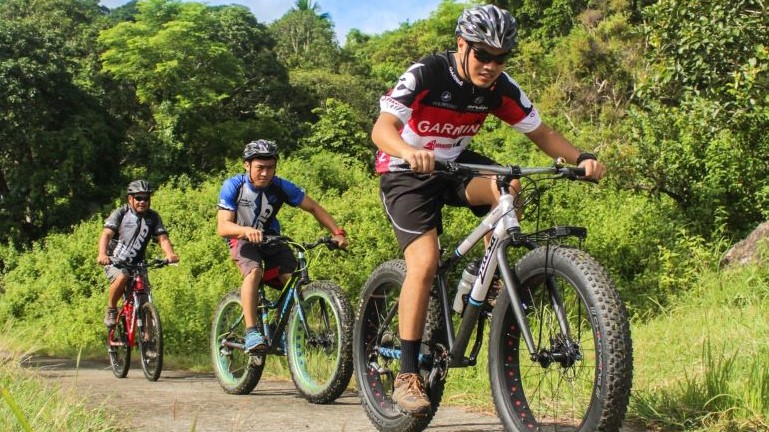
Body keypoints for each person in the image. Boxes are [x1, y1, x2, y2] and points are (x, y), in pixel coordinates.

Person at [371, 4, 606, 414]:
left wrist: (581, 157)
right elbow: (382, 129)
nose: (491, 65)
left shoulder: (500, 88)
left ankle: (486, 275)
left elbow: (542, 133)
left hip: (455, 166)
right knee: (424, 263)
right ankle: (407, 373)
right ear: (462, 45)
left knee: (507, 184)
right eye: (483, 55)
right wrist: (410, 150)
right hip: (405, 171)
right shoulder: (427, 72)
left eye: (501, 58)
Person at [216, 139, 349, 353]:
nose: (265, 173)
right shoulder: (234, 186)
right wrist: (245, 231)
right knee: (254, 271)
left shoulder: (280, 187)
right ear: (247, 165)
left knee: (292, 280)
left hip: (270, 238)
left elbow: (313, 207)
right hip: (239, 236)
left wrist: (337, 232)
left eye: (270, 168)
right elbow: (223, 227)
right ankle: (251, 331)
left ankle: (282, 328)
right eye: (260, 167)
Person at [97, 180, 180, 327]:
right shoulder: (121, 213)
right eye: (138, 198)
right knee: (122, 276)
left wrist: (170, 254)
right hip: (116, 261)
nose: (143, 202)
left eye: (146, 198)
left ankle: (149, 344)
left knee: (145, 299)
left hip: (138, 264)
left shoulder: (153, 217)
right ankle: (111, 309)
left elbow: (163, 238)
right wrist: (102, 254)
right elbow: (106, 235)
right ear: (130, 199)